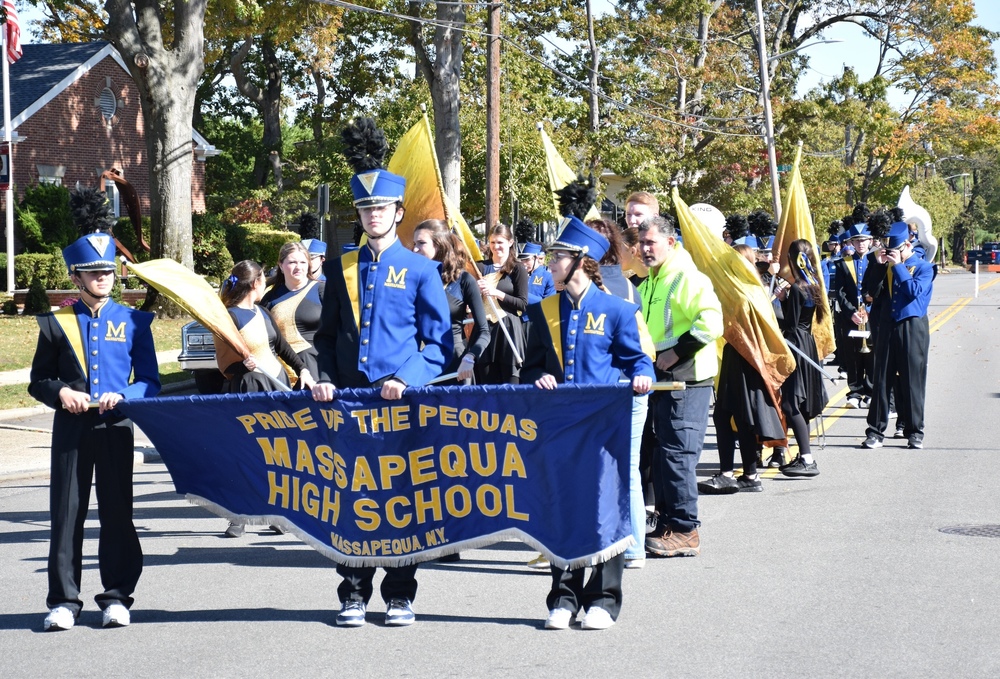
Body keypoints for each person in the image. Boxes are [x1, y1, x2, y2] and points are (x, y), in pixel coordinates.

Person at [312, 118, 452, 628]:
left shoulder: (421, 269)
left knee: (400, 497)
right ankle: (351, 593)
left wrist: (408, 377)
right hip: (348, 401)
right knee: (348, 496)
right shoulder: (341, 267)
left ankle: (399, 594)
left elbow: (441, 346)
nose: (374, 215)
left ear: (399, 211)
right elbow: (324, 338)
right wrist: (323, 375)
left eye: (383, 207)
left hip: (399, 400)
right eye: (366, 207)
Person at [521, 217, 654, 630]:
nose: (550, 265)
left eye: (557, 257)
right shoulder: (544, 310)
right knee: (561, 509)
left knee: (604, 508)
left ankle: (603, 599)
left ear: (582, 262)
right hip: (560, 424)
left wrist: (642, 375)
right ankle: (562, 598)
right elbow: (531, 367)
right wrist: (537, 377)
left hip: (603, 423)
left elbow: (638, 359)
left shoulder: (617, 309)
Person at [30, 232, 161, 631]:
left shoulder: (135, 321)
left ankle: (117, 596)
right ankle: (65, 601)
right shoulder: (57, 322)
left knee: (117, 512)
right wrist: (62, 392)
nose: (102, 277)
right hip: (71, 427)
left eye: (106, 270)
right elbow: (39, 380)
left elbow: (150, 381)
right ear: (77, 277)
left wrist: (123, 395)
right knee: (66, 514)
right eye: (93, 272)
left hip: (115, 425)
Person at [638, 215, 723, 558]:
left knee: (677, 455)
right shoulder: (651, 282)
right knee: (662, 455)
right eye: (641, 243)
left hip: (687, 378)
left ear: (670, 243)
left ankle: (686, 530)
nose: (644, 249)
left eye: (650, 243)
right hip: (663, 379)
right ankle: (668, 522)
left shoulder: (686, 277)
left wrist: (676, 352)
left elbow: (711, 323)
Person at [216, 259, 317, 538]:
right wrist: (241, 366)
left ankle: (277, 514)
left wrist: (303, 370)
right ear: (255, 283)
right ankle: (237, 516)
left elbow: (283, 348)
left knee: (278, 455)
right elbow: (223, 364)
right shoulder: (229, 317)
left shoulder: (263, 311)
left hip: (276, 386)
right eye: (264, 279)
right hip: (248, 388)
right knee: (248, 454)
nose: (266, 284)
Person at [699, 245, 786, 494]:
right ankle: (749, 474)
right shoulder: (752, 288)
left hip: (745, 358)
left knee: (729, 416)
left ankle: (731, 473)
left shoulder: (745, 291)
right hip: (740, 356)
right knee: (738, 417)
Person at [861, 220, 934, 450]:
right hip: (887, 325)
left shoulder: (923, 267)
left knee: (912, 380)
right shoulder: (886, 267)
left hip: (912, 326)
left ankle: (914, 431)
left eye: (897, 250)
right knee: (882, 379)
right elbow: (869, 293)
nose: (893, 254)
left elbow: (914, 291)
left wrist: (899, 266)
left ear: (907, 245)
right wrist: (880, 265)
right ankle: (875, 431)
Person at [773, 240, 829, 477]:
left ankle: (806, 458)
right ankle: (805, 456)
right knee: (799, 404)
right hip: (806, 342)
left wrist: (779, 302)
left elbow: (790, 324)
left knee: (790, 403)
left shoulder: (798, 288)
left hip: (796, 345)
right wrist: (786, 300)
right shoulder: (814, 284)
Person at [412, 219, 490, 384]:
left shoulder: (464, 280)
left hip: (457, 365)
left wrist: (470, 357)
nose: (414, 249)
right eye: (414, 243)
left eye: (421, 243)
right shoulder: (411, 279)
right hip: (420, 366)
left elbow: (484, 331)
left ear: (439, 245)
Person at [260, 241, 325, 377]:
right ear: (281, 266)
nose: (298, 267)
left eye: (303, 262)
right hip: (283, 369)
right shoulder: (269, 298)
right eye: (292, 262)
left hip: (319, 367)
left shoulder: (322, 290)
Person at [475, 223, 528, 384]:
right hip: (484, 330)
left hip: (509, 330)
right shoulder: (479, 267)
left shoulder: (518, 268)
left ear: (510, 243)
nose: (496, 247)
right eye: (492, 242)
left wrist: (496, 292)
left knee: (511, 387)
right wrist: (475, 292)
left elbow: (523, 304)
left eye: (500, 242)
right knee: (486, 387)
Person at [832, 223, 875, 409]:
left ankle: (871, 390)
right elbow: (840, 293)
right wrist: (851, 313)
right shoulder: (843, 264)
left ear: (870, 241)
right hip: (851, 317)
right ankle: (855, 391)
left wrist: (868, 311)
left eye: (864, 240)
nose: (861, 244)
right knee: (852, 354)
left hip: (871, 316)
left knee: (872, 354)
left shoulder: (876, 261)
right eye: (857, 241)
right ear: (852, 243)